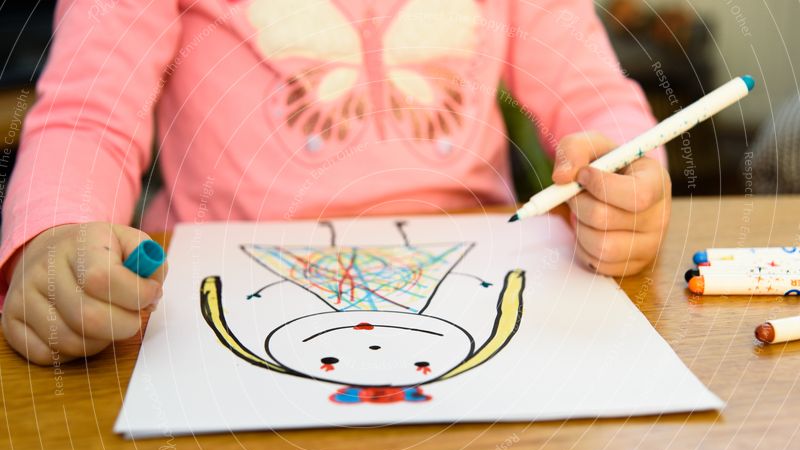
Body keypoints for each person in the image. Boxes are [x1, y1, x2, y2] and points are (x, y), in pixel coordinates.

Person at [0, 0, 670, 365]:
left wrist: (625, 174)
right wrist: (55, 235)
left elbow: (591, 94)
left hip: (477, 288)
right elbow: (89, 117)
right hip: (216, 306)